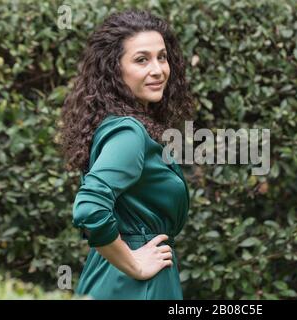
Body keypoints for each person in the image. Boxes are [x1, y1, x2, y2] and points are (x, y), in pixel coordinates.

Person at [58, 9, 195, 299]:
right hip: (133, 284)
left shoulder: (126, 125)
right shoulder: (129, 133)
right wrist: (133, 263)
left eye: (162, 56)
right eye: (141, 59)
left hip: (122, 275)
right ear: (115, 69)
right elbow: (90, 208)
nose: (158, 69)